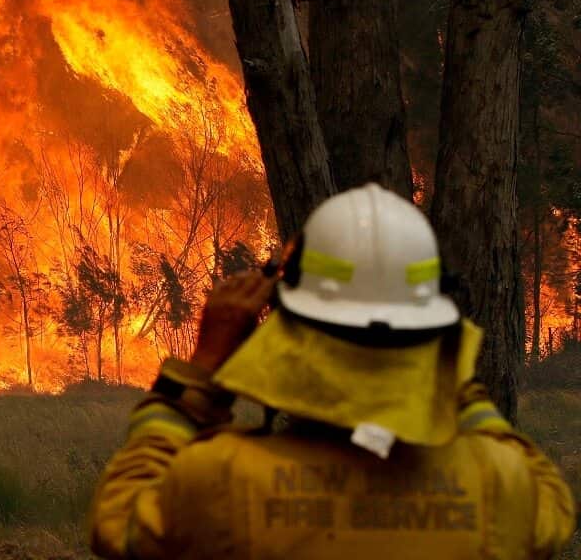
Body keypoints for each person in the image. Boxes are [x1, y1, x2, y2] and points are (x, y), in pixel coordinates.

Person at [89, 183, 575, 559]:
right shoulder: (504, 487)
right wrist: (449, 372)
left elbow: (120, 520)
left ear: (291, 330)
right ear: (430, 331)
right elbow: (543, 488)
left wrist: (201, 370)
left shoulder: (222, 479)